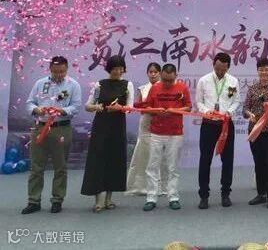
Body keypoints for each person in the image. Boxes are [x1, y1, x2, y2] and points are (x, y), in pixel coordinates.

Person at [22, 56, 82, 214]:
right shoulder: (40, 83)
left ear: (66, 69)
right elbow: (29, 102)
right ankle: (33, 201)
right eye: (55, 71)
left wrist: (63, 110)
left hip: (61, 128)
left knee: (60, 167)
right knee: (36, 167)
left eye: (62, 71)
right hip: (40, 128)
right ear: (50, 69)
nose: (59, 75)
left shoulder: (73, 85)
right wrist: (36, 109)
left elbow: (76, 106)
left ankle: (57, 200)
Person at [135, 63, 191, 211]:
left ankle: (173, 197)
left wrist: (174, 110)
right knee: (152, 166)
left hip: (175, 133)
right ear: (161, 75)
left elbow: (188, 107)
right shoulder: (154, 88)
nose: (167, 83)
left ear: (176, 76)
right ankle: (151, 198)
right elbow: (147, 107)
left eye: (170, 80)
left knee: (172, 167)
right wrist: (156, 110)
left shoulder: (182, 88)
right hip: (156, 132)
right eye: (164, 80)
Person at [81, 55, 134, 212]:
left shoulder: (127, 85)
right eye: (115, 69)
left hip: (117, 126)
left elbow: (130, 107)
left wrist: (120, 108)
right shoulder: (100, 84)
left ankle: (109, 199)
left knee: (114, 160)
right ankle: (98, 200)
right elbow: (89, 105)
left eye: (121, 69)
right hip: (101, 126)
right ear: (109, 69)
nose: (118, 72)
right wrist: (96, 107)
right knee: (98, 160)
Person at [195, 52, 239, 209]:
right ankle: (204, 195)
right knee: (205, 159)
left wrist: (229, 112)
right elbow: (199, 102)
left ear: (228, 67)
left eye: (223, 69)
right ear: (213, 65)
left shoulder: (233, 81)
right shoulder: (204, 80)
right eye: (217, 68)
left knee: (227, 160)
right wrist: (206, 111)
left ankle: (225, 193)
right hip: (208, 124)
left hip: (226, 124)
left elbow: (235, 101)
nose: (220, 72)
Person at [243, 58, 268, 209]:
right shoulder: (252, 89)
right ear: (258, 71)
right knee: (258, 163)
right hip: (255, 131)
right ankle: (261, 194)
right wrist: (249, 114)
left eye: (267, 70)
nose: (264, 72)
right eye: (261, 70)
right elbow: (245, 109)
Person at [126, 62, 167, 196]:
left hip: (161, 122)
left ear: (160, 73)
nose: (153, 74)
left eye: (156, 72)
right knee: (143, 154)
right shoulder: (142, 88)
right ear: (147, 73)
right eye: (151, 72)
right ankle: (140, 186)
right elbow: (137, 106)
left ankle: (162, 187)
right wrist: (147, 108)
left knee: (160, 154)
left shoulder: (166, 88)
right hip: (145, 124)